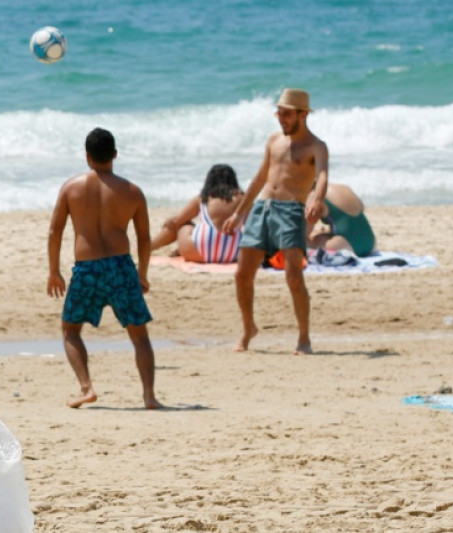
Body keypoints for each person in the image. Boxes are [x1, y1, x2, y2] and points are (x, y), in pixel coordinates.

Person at [46, 127, 163, 409]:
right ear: (114, 155)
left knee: (71, 330)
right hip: (121, 266)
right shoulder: (132, 191)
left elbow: (55, 231)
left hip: (86, 268)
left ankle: (86, 387)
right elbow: (144, 238)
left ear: (87, 157)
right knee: (139, 334)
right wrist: (142, 273)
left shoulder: (71, 188)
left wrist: (54, 271)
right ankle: (148, 395)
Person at [222, 88, 329, 355]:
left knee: (293, 276)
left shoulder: (316, 146)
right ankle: (248, 329)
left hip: (292, 210)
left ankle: (304, 338)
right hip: (262, 209)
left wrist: (317, 197)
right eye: (279, 113)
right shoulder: (273, 140)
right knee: (242, 274)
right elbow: (260, 179)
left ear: (303, 115)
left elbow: (323, 175)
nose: (282, 119)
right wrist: (238, 213)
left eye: (287, 114)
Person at [150, 164, 245, 263]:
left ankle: (149, 247)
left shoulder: (203, 198)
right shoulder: (244, 199)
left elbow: (177, 221)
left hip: (198, 253)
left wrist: (167, 222)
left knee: (184, 225)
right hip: (233, 254)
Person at [307, 183, 376, 257]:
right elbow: (361, 208)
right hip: (371, 243)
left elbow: (305, 231)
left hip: (348, 246)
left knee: (311, 241)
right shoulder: (345, 188)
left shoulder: (314, 196)